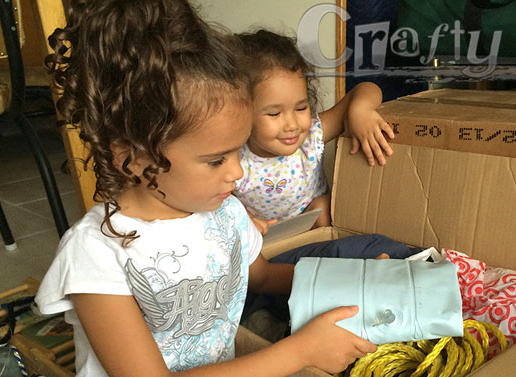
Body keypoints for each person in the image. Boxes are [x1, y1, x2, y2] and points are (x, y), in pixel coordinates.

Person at [33, 1, 376, 376]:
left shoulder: (225, 211)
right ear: (133, 159)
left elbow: (261, 276)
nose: (238, 173)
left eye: (237, 152)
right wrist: (300, 352)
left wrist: (350, 282)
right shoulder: (97, 252)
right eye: (217, 160)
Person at [234, 30, 395, 234]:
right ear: (238, 113)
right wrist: (245, 220)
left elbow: (367, 88)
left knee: (324, 207)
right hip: (262, 242)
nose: (292, 124)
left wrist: (360, 110)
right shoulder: (234, 157)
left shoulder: (311, 136)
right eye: (274, 113)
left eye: (301, 108)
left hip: (314, 234)